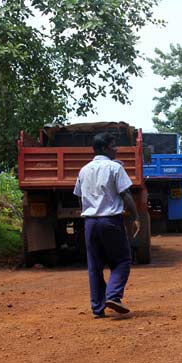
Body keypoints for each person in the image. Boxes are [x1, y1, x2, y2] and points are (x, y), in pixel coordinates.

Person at [73, 132, 141, 318]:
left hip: (90, 222)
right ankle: (113, 296)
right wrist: (136, 217)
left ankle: (97, 308)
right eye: (113, 146)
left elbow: (80, 197)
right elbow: (126, 194)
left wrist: (86, 216)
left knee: (94, 265)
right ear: (104, 148)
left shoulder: (84, 170)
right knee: (122, 260)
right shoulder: (115, 168)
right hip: (110, 221)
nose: (116, 149)